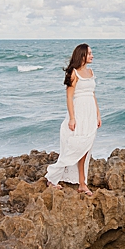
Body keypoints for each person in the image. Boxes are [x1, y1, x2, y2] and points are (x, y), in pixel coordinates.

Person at [45, 43, 99, 194]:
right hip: (79, 112)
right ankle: (52, 177)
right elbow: (69, 97)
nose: (92, 56)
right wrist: (72, 118)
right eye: (89, 53)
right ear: (82, 55)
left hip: (90, 113)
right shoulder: (73, 73)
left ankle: (82, 183)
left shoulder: (90, 72)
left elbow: (93, 95)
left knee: (86, 149)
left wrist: (98, 115)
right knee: (76, 148)